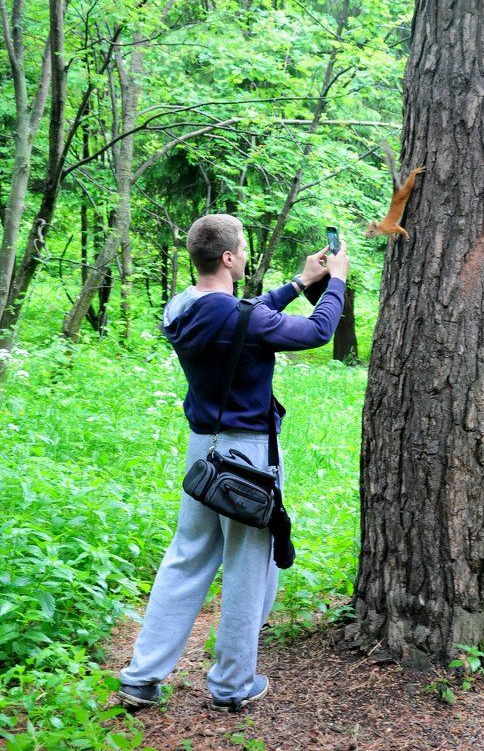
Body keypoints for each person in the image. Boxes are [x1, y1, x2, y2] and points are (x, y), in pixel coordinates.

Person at [117, 214, 349, 711]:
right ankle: (230, 686)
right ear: (227, 258)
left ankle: (141, 676)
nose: (244, 256)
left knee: (187, 556)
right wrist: (338, 282)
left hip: (203, 452)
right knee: (250, 565)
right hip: (248, 456)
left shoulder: (182, 307)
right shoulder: (234, 315)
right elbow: (317, 332)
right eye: (242, 249)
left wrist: (299, 282)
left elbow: (244, 316)